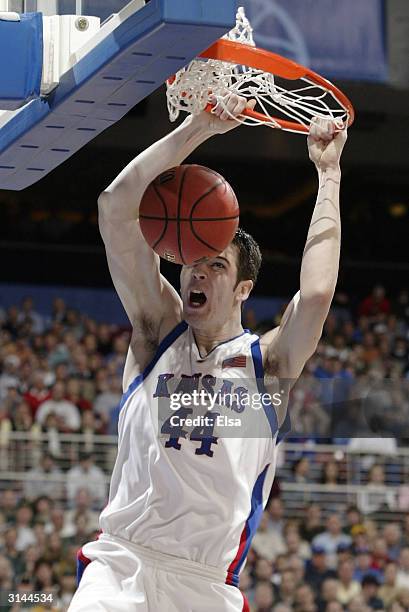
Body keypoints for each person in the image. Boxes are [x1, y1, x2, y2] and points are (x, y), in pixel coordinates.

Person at [69, 92, 347, 611]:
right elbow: (114, 207)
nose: (199, 270)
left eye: (217, 265)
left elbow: (315, 295)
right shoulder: (157, 332)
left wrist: (328, 174)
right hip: (121, 566)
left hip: (203, 585)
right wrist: (198, 129)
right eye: (194, 259)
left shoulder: (268, 366)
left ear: (243, 289)